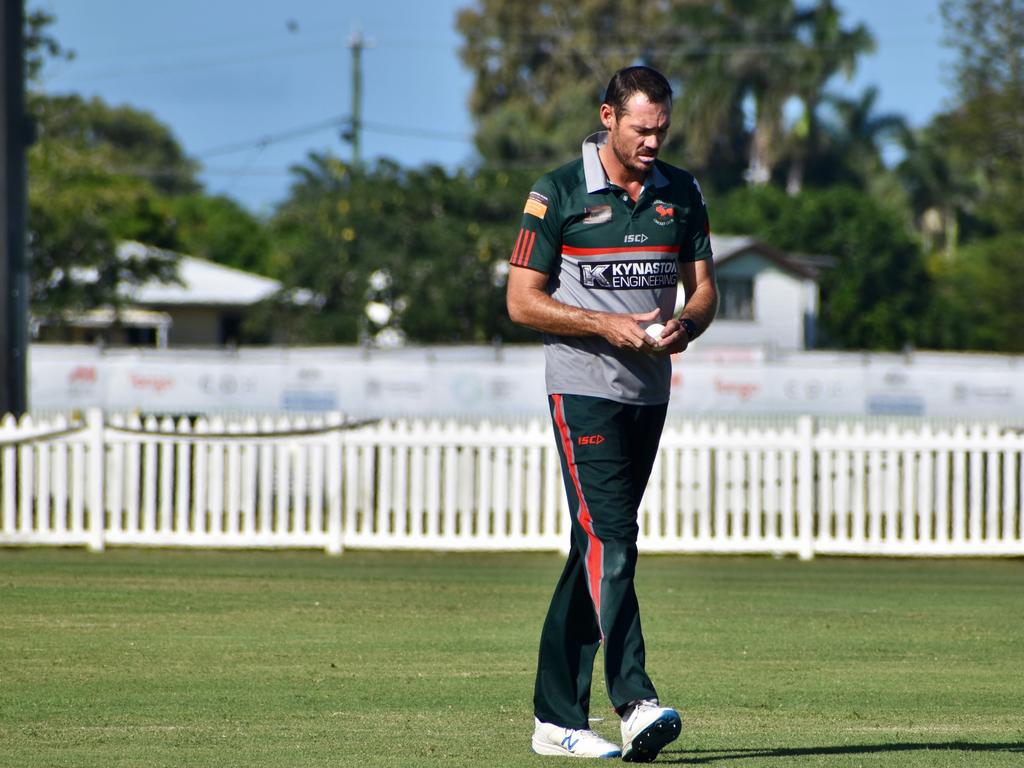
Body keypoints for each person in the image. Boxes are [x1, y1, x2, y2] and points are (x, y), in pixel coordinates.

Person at [505, 66, 718, 762]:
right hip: (581, 388)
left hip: (649, 392)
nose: (654, 140)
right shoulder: (558, 190)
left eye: (662, 128)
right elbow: (522, 302)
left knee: (594, 548)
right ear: (608, 116)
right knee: (614, 539)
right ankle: (635, 701)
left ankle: (554, 718)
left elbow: (705, 289)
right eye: (641, 128)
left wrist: (686, 325)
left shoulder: (681, 192)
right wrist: (605, 327)